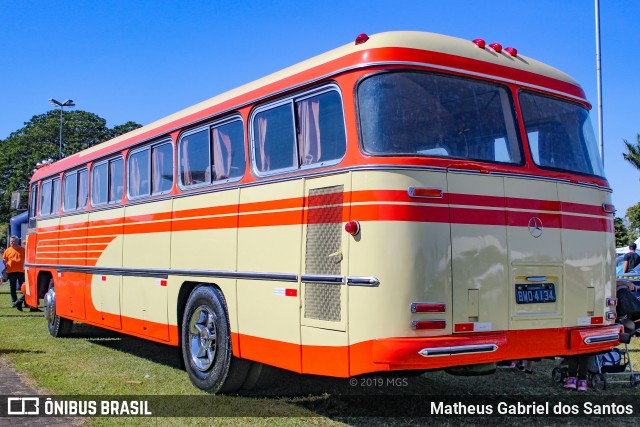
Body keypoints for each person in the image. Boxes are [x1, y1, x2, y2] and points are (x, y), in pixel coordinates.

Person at [2, 236, 26, 311]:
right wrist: (4, 270)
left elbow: (27, 258)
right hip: (11, 272)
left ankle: (26, 302)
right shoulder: (7, 250)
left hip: (21, 271)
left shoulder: (22, 250)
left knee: (24, 289)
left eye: (13, 241)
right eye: (11, 241)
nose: (12, 243)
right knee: (13, 288)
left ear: (17, 242)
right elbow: (4, 260)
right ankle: (14, 302)